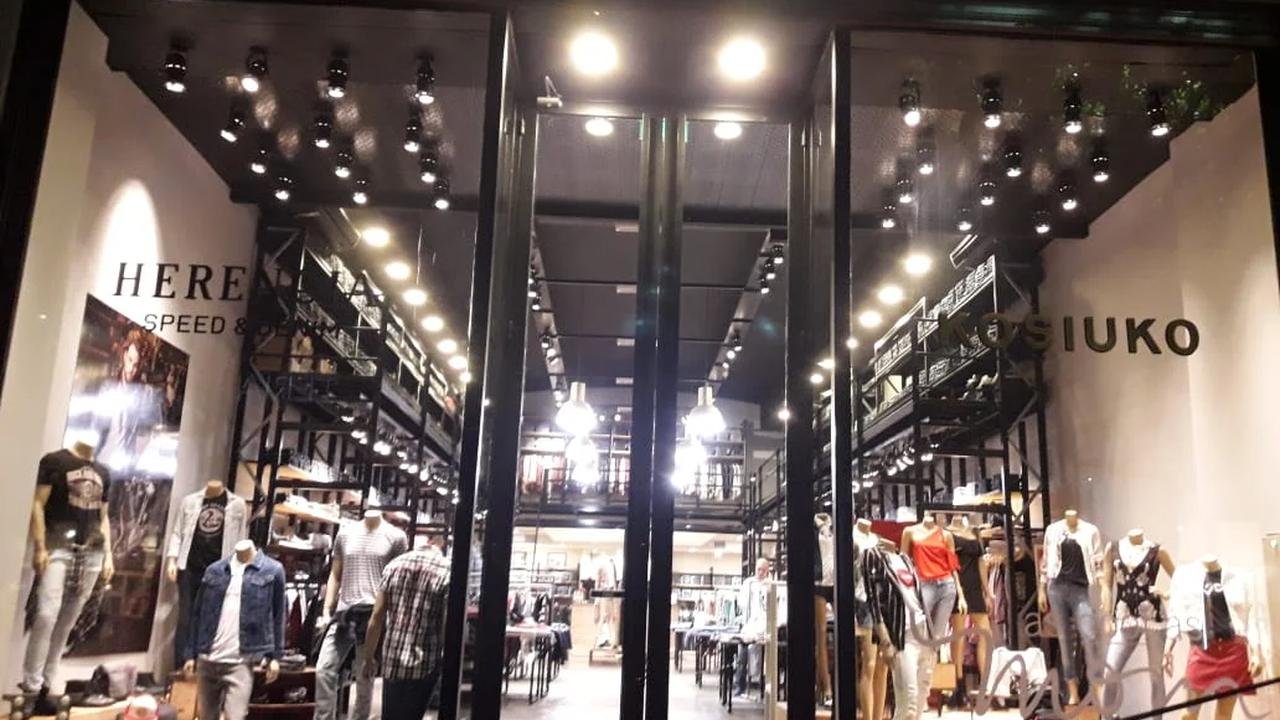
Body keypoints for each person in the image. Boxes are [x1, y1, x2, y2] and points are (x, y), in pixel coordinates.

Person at [359, 539, 451, 720]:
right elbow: (446, 624)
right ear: (439, 549)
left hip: (393, 659)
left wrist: (368, 658)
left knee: (390, 715)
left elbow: (376, 617)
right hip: (425, 660)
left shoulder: (393, 566)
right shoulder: (446, 570)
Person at [735, 558, 772, 697]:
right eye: (759, 569)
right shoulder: (748, 583)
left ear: (768, 571)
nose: (760, 572)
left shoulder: (770, 585)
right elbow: (742, 603)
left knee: (764, 657)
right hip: (749, 625)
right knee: (742, 655)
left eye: (764, 570)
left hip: (764, 626)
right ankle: (740, 685)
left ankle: (763, 687)